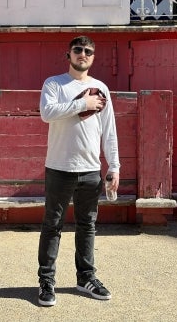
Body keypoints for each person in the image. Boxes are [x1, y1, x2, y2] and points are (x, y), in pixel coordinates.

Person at [37, 35, 120, 307]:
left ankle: (85, 278)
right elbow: (47, 113)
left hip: (90, 170)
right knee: (53, 225)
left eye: (88, 51)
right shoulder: (54, 83)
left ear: (93, 57)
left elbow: (109, 133)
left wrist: (114, 166)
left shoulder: (101, 88)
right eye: (78, 50)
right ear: (68, 54)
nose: (82, 54)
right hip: (59, 167)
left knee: (88, 226)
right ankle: (46, 282)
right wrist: (82, 105)